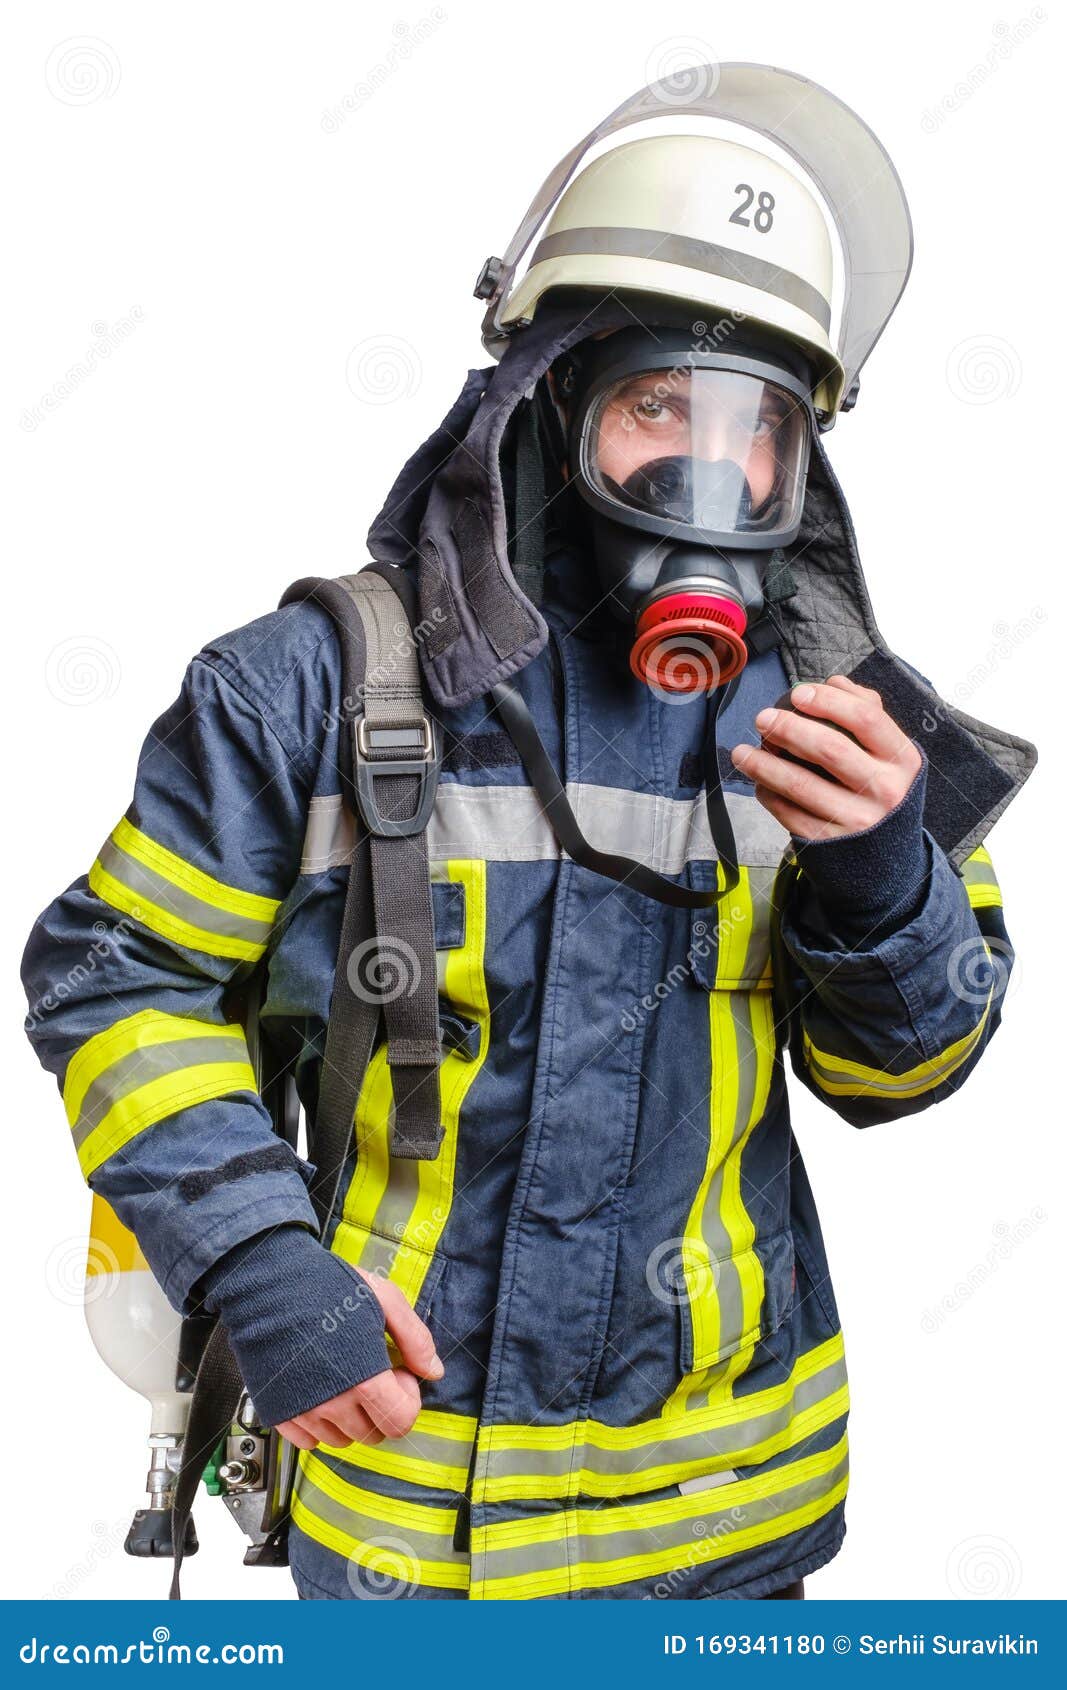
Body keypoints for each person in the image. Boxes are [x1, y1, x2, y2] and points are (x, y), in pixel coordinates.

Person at [22, 64, 1035, 1602]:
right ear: (551, 401)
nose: (708, 473)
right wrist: (258, 1258)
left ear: (801, 461)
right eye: (657, 407)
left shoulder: (843, 729)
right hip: (407, 1539)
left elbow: (903, 1077)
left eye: (756, 427)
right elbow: (117, 975)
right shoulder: (310, 691)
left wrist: (886, 877)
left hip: (729, 1538)